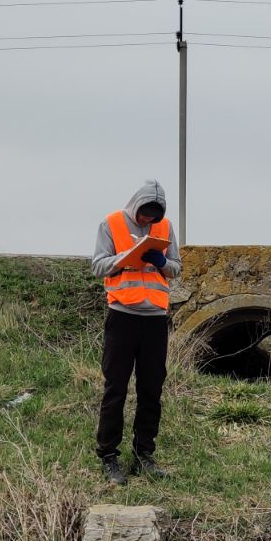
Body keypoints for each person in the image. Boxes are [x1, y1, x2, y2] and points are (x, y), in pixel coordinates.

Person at [91, 179, 181, 485]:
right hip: (122, 317)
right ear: (136, 206)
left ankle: (145, 455)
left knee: (151, 390)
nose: (148, 220)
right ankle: (108, 456)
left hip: (155, 319)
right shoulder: (111, 223)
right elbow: (98, 266)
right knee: (115, 388)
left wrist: (162, 262)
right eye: (145, 214)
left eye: (154, 216)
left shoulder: (165, 227)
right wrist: (125, 259)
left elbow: (177, 268)